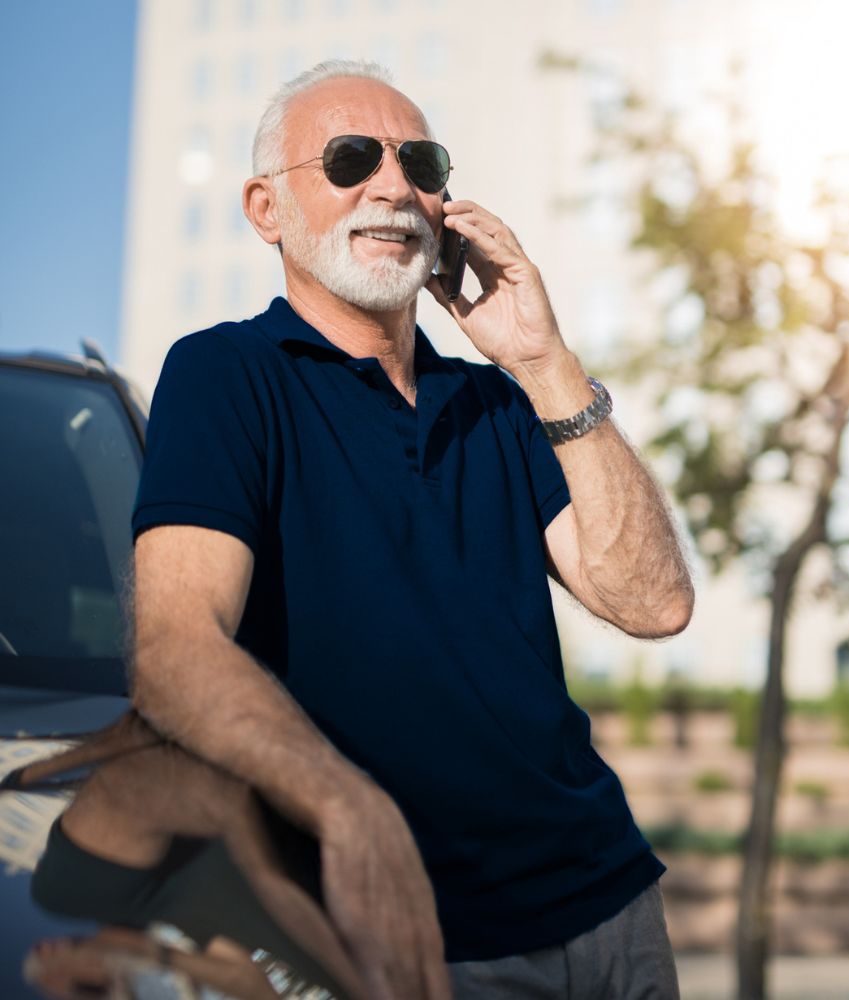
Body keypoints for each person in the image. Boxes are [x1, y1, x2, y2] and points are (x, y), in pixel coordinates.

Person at [129, 59, 694, 1000]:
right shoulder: (228, 375)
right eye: (351, 159)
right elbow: (174, 650)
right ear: (267, 209)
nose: (395, 185)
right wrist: (349, 809)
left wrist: (544, 361)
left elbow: (655, 601)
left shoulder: (500, 403)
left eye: (422, 163)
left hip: (613, 908)